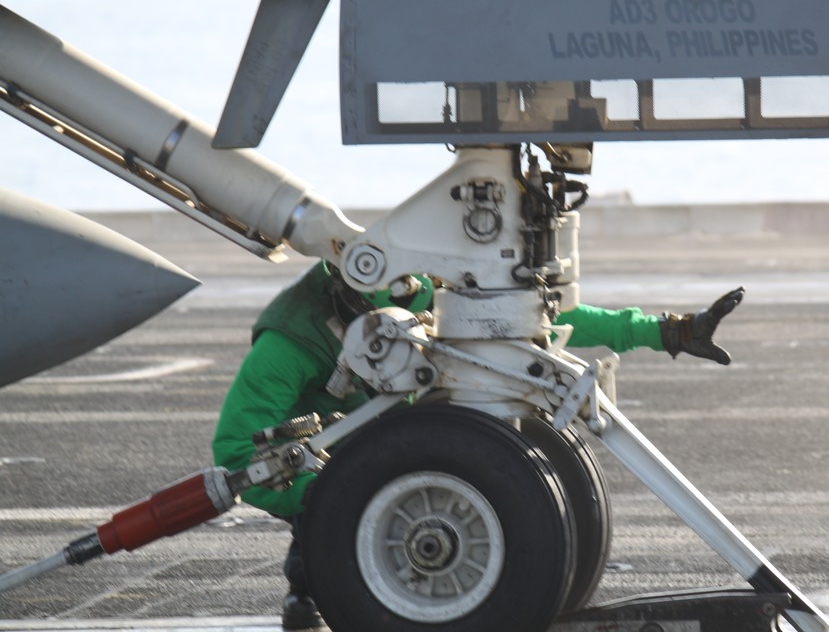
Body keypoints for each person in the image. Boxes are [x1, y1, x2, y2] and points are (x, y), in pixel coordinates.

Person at [212, 260, 743, 630]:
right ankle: (310, 588)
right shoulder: (289, 345)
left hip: (404, 447)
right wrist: (331, 498)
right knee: (326, 543)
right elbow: (237, 452)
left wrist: (666, 331)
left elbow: (537, 320)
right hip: (334, 464)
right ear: (352, 306)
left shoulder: (416, 288)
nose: (417, 321)